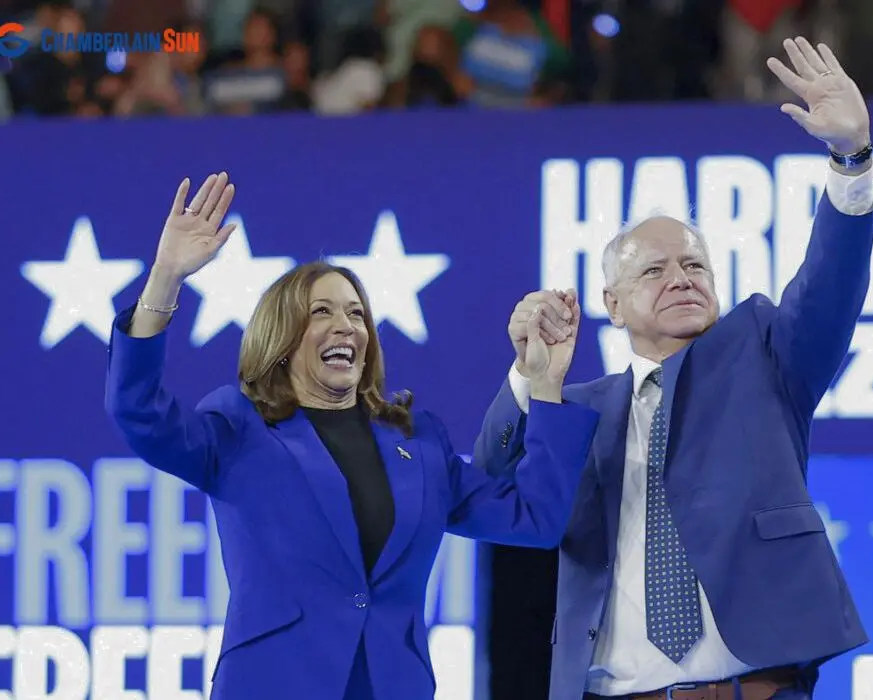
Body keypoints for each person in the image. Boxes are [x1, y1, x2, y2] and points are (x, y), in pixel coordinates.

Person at [475, 39, 873, 700]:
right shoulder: (573, 410)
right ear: (611, 303)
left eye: (694, 265)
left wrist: (851, 160)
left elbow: (828, 287)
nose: (682, 279)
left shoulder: (765, 354)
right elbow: (491, 488)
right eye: (655, 269)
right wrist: (530, 379)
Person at [104, 173, 600, 700]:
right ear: (283, 336)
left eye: (357, 313)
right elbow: (137, 410)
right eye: (322, 312)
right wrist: (165, 278)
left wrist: (545, 383)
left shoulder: (420, 442)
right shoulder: (238, 428)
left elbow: (536, 520)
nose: (347, 326)